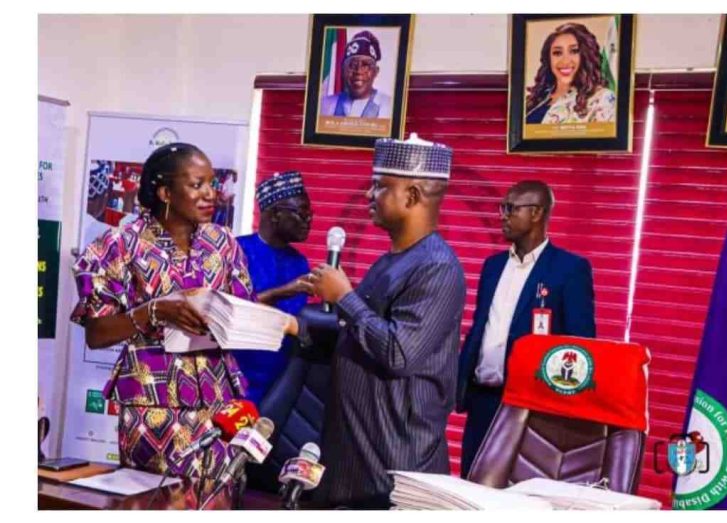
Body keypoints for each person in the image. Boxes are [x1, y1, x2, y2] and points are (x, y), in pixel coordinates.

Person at [70, 143, 288, 480]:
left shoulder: (223, 242)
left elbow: (242, 307)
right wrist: (154, 311)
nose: (210, 194)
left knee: (219, 497)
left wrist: (273, 322)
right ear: (165, 192)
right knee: (156, 500)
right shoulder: (119, 245)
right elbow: (96, 334)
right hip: (154, 402)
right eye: (197, 184)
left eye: (212, 183)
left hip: (220, 401)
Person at [300, 134, 466, 508]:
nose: (367, 195)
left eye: (379, 186)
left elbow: (398, 352)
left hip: (394, 463)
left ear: (411, 196)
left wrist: (344, 296)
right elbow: (362, 336)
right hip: (359, 458)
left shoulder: (437, 267)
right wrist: (295, 327)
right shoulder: (394, 259)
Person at [456, 180, 596, 477]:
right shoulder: (492, 265)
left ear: (536, 213)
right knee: (472, 485)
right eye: (502, 208)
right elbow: (482, 327)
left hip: (532, 410)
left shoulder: (569, 270)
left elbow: (580, 347)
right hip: (483, 401)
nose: (502, 215)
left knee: (517, 494)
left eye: (510, 208)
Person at [235, 171, 313, 405]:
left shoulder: (299, 262)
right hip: (237, 382)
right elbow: (230, 310)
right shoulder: (236, 251)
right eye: (302, 213)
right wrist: (284, 290)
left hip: (279, 385)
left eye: (310, 213)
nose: (309, 220)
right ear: (276, 214)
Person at [525, 22, 616, 124]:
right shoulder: (535, 99)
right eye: (557, 53)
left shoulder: (603, 99)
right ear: (548, 59)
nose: (565, 61)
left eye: (574, 51)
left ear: (585, 56)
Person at [320, 30, 393, 119]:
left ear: (375, 72)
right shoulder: (324, 105)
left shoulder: (389, 106)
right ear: (343, 70)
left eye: (366, 65)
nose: (358, 71)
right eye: (352, 65)